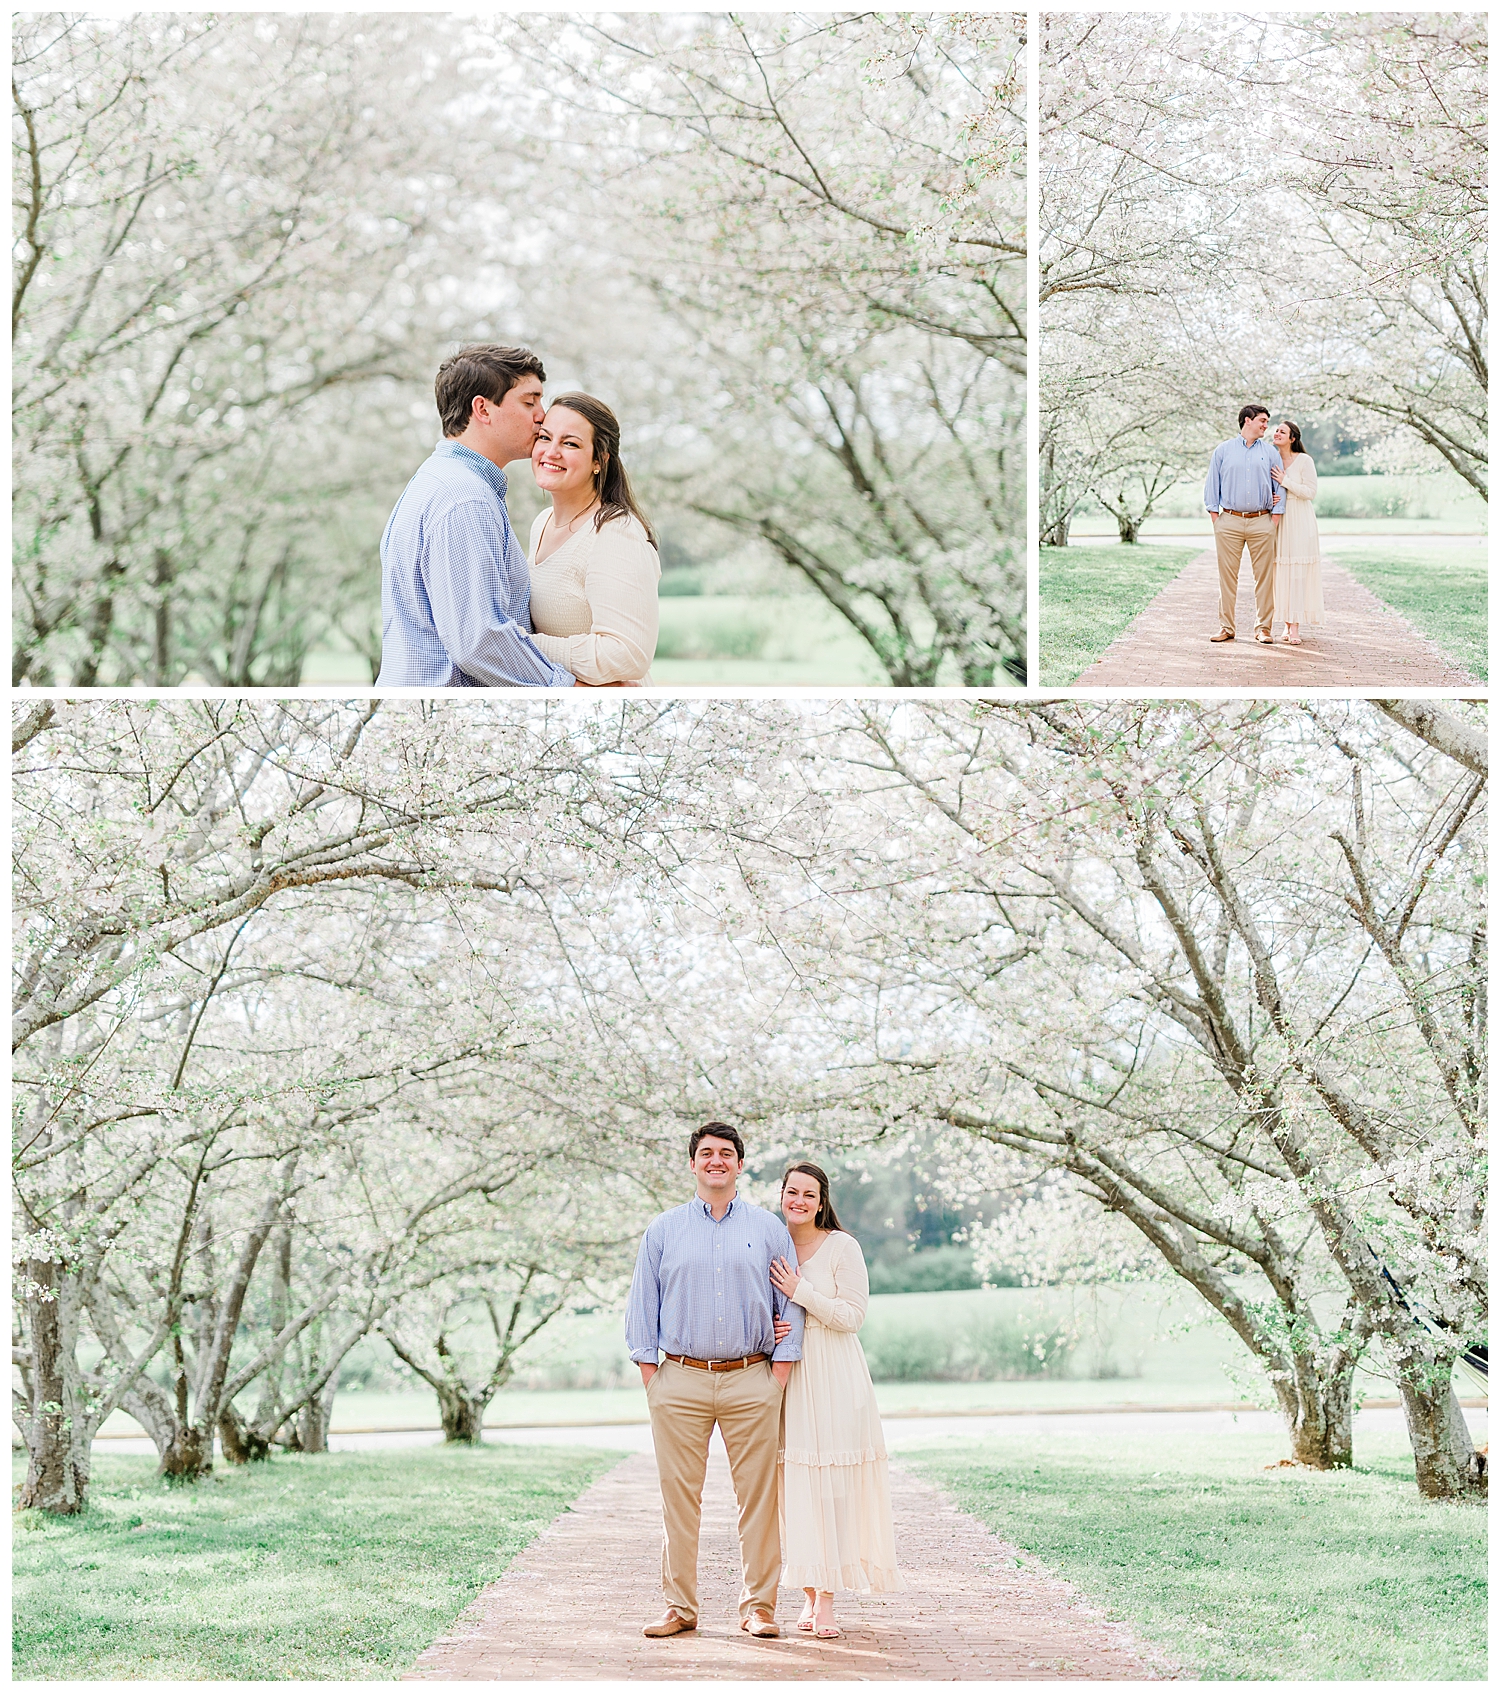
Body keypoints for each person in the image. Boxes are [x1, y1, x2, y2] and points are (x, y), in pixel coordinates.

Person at [624, 1123, 804, 1641]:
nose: (716, 1161)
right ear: (693, 1164)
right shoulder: (663, 1230)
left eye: (727, 1154)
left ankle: (760, 1608)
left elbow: (787, 1302)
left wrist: (780, 1373)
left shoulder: (770, 1229)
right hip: (678, 1379)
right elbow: (643, 1307)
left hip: (753, 1378)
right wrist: (651, 1376)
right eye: (706, 1154)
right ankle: (679, 1607)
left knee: (760, 1497)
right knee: (679, 1497)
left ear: (740, 1165)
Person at [376, 344, 575, 687]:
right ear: (482, 408)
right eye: (530, 402)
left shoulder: (437, 481)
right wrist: (567, 688)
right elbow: (478, 641)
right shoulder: (464, 499)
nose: (542, 415)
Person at [769, 1163, 903, 1639]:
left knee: (835, 1489)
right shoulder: (770, 1242)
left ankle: (827, 1601)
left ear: (822, 1201)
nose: (799, 1200)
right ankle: (807, 1592)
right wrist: (773, 1327)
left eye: (809, 1193)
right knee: (797, 1487)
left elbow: (852, 1316)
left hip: (837, 1378)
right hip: (790, 1378)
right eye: (792, 1192)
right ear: (781, 1196)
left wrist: (801, 1293)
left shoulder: (843, 1248)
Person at [526, 394, 661, 684]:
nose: (551, 452)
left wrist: (523, 646)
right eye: (545, 438)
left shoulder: (615, 532)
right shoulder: (542, 523)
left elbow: (626, 654)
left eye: (570, 443)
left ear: (599, 460)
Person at [1203, 403, 1285, 645]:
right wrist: (1217, 520)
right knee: (1227, 578)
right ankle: (1226, 627)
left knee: (1265, 578)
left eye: (1267, 422)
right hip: (1228, 521)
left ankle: (1263, 629)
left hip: (1262, 521)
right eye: (1262, 421)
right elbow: (1211, 486)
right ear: (1247, 420)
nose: (1266, 426)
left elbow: (1279, 486)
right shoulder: (1223, 450)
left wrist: (1274, 519)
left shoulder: (1270, 452)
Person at [1269, 419, 1323, 645]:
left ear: (1293, 438)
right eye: (1276, 430)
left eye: (1283, 431)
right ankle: (1285, 621)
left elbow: (1310, 492)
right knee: (1281, 571)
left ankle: (1295, 627)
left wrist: (1286, 481)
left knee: (1298, 572)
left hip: (1300, 520)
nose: (1277, 433)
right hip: (1278, 520)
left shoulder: (1304, 460)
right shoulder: (1271, 458)